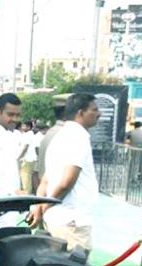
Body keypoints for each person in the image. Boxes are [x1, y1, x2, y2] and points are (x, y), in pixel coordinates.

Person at [29, 92, 100, 252]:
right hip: (71, 221)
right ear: (80, 113)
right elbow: (66, 182)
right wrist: (46, 206)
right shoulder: (78, 137)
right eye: (94, 110)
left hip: (57, 219)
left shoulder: (59, 136)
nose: (98, 114)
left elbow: (45, 181)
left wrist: (41, 206)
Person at [18, 119, 40, 194]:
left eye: (23, 126)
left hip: (27, 159)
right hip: (28, 159)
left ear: (28, 127)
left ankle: (26, 195)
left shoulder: (28, 135)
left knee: (25, 179)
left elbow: (25, 148)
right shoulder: (28, 134)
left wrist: (19, 157)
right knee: (26, 179)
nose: (22, 127)